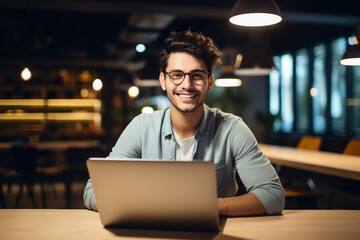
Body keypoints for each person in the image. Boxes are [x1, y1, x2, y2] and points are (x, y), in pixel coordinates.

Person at [84, 30, 285, 216]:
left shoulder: (232, 129)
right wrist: (146, 206)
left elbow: (272, 195)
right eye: (177, 75)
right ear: (163, 81)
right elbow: (92, 192)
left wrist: (208, 206)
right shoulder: (141, 127)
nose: (186, 85)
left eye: (196, 75)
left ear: (209, 82)